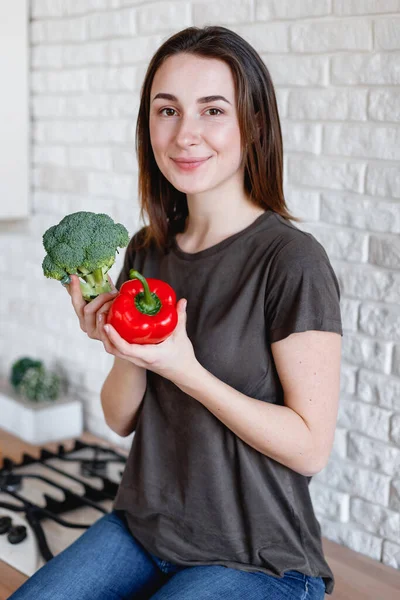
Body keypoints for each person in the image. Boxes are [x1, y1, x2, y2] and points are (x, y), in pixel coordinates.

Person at [10, 25, 342, 600]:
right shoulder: (145, 249)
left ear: (253, 123)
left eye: (212, 109)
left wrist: (184, 368)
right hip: (143, 528)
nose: (186, 133)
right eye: (167, 110)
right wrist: (120, 349)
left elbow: (311, 447)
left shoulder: (292, 261)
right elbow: (120, 419)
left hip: (257, 557)